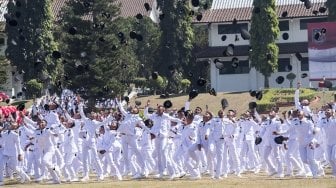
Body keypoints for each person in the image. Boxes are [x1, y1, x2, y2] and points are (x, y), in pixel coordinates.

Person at [144, 100, 182, 179]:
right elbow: (146, 115)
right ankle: (161, 172)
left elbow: (174, 119)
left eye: (161, 109)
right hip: (157, 137)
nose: (159, 110)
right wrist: (147, 106)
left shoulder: (166, 116)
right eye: (158, 109)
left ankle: (168, 170)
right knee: (158, 154)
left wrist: (181, 121)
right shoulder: (154, 115)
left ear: (163, 110)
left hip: (164, 137)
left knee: (164, 153)